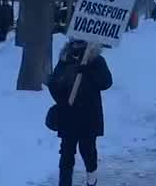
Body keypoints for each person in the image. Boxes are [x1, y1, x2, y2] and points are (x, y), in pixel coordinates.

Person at [47, 39, 113, 186]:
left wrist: (89, 70)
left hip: (88, 116)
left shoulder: (96, 60)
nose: (76, 46)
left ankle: (92, 178)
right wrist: (62, 98)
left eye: (80, 44)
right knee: (66, 153)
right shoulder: (65, 60)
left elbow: (106, 83)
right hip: (68, 115)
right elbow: (54, 83)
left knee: (88, 151)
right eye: (74, 43)